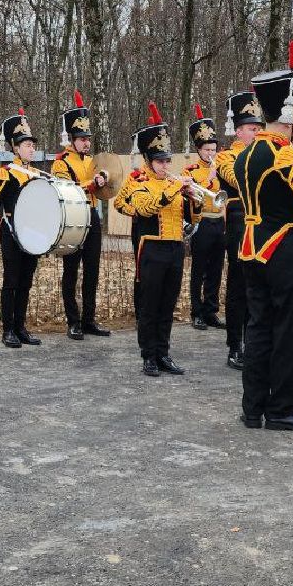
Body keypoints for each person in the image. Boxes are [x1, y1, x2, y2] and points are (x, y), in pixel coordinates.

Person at [233, 44, 293, 430]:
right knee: (291, 329)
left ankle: (253, 406)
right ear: (290, 115)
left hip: (252, 246)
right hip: (285, 247)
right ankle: (283, 407)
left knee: (258, 328)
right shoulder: (282, 154)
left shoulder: (243, 154)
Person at [115, 103, 199, 377]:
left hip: (176, 248)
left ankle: (163, 352)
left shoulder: (174, 183)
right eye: (160, 161)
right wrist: (174, 189)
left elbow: (194, 218)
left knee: (168, 304)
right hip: (151, 248)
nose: (165, 165)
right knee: (150, 305)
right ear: (149, 161)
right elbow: (147, 207)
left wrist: (193, 199)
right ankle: (148, 355)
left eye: (167, 160)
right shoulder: (140, 183)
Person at [52, 91, 111, 341]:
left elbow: (103, 186)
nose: (87, 143)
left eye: (88, 138)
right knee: (71, 270)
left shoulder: (93, 160)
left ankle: (89, 319)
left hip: (92, 216)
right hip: (72, 218)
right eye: (82, 138)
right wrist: (91, 182)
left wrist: (106, 178)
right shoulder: (60, 163)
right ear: (72, 140)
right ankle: (73, 321)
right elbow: (66, 190)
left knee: (93, 271)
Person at [0, 110, 45, 349]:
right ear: (15, 147)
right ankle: (8, 329)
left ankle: (21, 328)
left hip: (32, 233)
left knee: (26, 281)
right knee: (11, 281)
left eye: (32, 145)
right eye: (26, 144)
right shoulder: (5, 171)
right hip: (11, 232)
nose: (31, 149)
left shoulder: (38, 174)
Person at [216, 91, 265, 370]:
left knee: (256, 286)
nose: (256, 133)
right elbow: (240, 178)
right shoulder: (225, 157)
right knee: (238, 287)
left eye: (259, 128)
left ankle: (253, 342)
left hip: (260, 221)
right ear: (238, 131)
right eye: (251, 128)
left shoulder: (262, 152)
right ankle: (235, 345)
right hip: (237, 220)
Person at [184, 105, 226, 331]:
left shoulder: (222, 168)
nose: (211, 153)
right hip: (201, 222)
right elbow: (193, 195)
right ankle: (196, 312)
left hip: (219, 221)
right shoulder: (190, 171)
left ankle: (211, 311)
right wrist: (209, 180)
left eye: (213, 149)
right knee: (198, 269)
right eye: (207, 150)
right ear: (199, 150)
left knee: (216, 269)